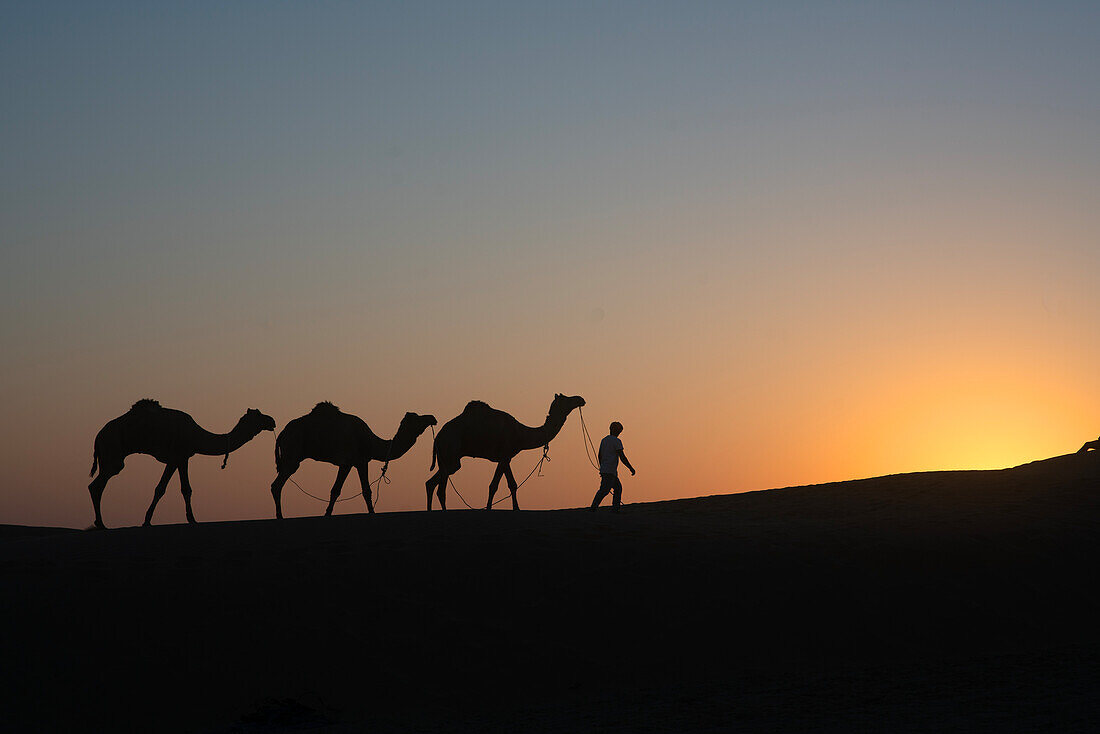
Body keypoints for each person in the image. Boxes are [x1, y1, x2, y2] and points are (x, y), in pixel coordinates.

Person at [589, 421, 635, 511]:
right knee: (604, 490)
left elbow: (599, 455)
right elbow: (622, 456)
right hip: (609, 470)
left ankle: (615, 508)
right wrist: (631, 468)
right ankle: (594, 508)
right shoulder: (617, 441)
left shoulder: (604, 440)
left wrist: (602, 467)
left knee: (617, 488)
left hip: (607, 470)